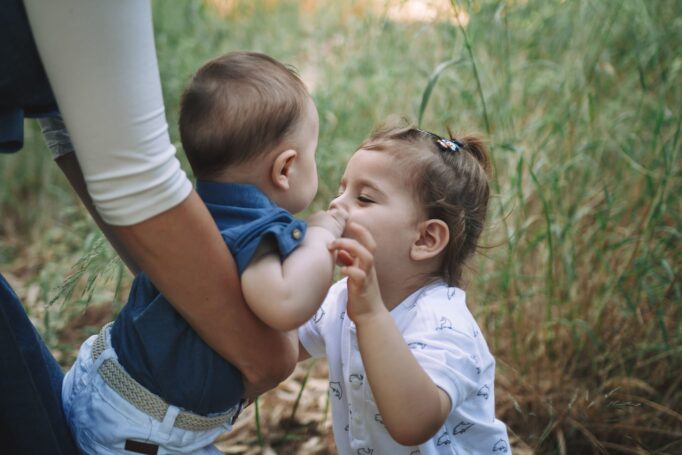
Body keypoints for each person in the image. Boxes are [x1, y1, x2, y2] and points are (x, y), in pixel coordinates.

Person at [1, 1, 296, 453]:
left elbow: (70, 120)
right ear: (286, 167)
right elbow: (135, 175)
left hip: (100, 382)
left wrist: (175, 282)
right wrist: (272, 357)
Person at [62, 51, 347, 454]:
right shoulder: (255, 229)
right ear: (285, 169)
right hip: (140, 432)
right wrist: (321, 236)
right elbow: (284, 302)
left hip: (97, 381)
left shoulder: (195, 214)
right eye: (312, 154)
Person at [298, 127, 511, 454]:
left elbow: (413, 423)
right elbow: (281, 343)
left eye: (364, 198)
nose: (335, 204)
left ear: (425, 239)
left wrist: (370, 315)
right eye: (341, 191)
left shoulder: (446, 325)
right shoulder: (340, 297)